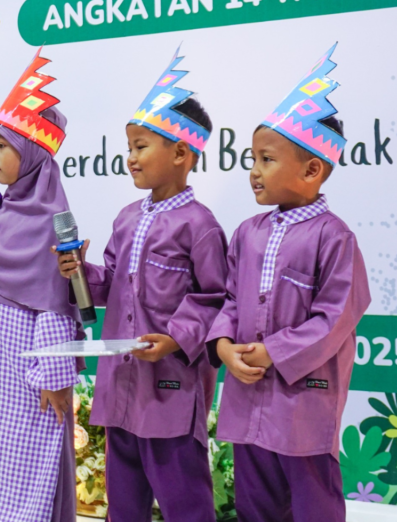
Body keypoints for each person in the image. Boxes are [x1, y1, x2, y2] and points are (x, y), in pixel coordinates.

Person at [57, 48, 227, 522]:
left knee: (183, 500)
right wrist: (80, 274)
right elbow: (111, 283)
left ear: (180, 153)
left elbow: (215, 298)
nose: (130, 158)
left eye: (141, 146)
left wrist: (175, 337)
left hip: (170, 387)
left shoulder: (201, 225)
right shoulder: (126, 218)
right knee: (123, 502)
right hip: (120, 386)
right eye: (128, 147)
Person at [207, 44, 371, 522]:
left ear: (312, 170)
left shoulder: (333, 236)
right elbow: (228, 300)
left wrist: (274, 351)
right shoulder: (247, 233)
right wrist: (222, 345)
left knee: (313, 503)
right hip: (246, 397)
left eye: (266, 159)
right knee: (254, 503)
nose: (253, 171)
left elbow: (336, 317)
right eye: (252, 158)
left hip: (304, 405)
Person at [0, 50, 79, 522]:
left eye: (2, 147)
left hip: (31, 373)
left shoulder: (52, 221)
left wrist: (53, 376)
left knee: (30, 458)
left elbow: (54, 303)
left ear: (29, 153)